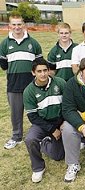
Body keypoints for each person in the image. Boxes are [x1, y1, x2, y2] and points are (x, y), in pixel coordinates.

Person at [0, 13, 42, 149]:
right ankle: (16, 137)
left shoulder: (33, 43)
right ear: (9, 26)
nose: (17, 27)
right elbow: (4, 65)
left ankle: (39, 136)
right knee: (16, 112)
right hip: (14, 85)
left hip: (32, 85)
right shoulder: (5, 44)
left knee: (36, 111)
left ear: (24, 25)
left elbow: (39, 63)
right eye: (14, 24)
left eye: (19, 24)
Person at [23, 58, 65, 183]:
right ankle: (38, 168)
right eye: (39, 71)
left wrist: (61, 123)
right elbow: (33, 117)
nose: (43, 74)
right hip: (41, 123)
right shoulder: (28, 91)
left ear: (49, 71)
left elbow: (68, 105)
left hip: (59, 121)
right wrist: (52, 130)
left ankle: (44, 144)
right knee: (30, 139)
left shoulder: (60, 83)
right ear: (33, 73)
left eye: (45, 70)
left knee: (58, 156)